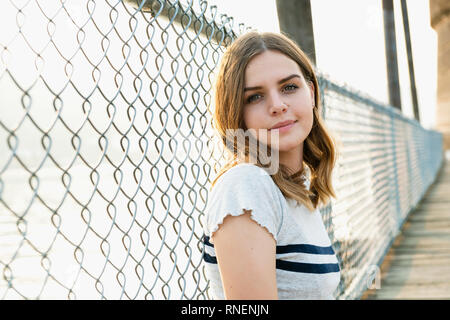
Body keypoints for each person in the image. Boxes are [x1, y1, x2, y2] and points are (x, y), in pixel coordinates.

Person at [202, 31, 341, 300]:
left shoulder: (294, 188)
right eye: (254, 97)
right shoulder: (246, 185)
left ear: (311, 93)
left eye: (289, 87)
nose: (277, 106)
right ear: (235, 113)